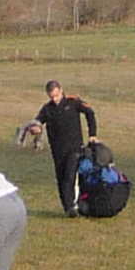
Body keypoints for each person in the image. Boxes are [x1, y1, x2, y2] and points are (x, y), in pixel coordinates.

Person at [33, 80, 102, 216]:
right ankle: (67, 207)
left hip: (74, 148)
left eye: (56, 95)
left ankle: (73, 205)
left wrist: (92, 134)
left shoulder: (73, 102)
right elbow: (38, 122)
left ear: (61, 90)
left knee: (70, 176)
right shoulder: (47, 109)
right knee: (61, 177)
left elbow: (90, 113)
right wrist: (35, 128)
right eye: (51, 96)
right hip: (57, 150)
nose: (55, 99)